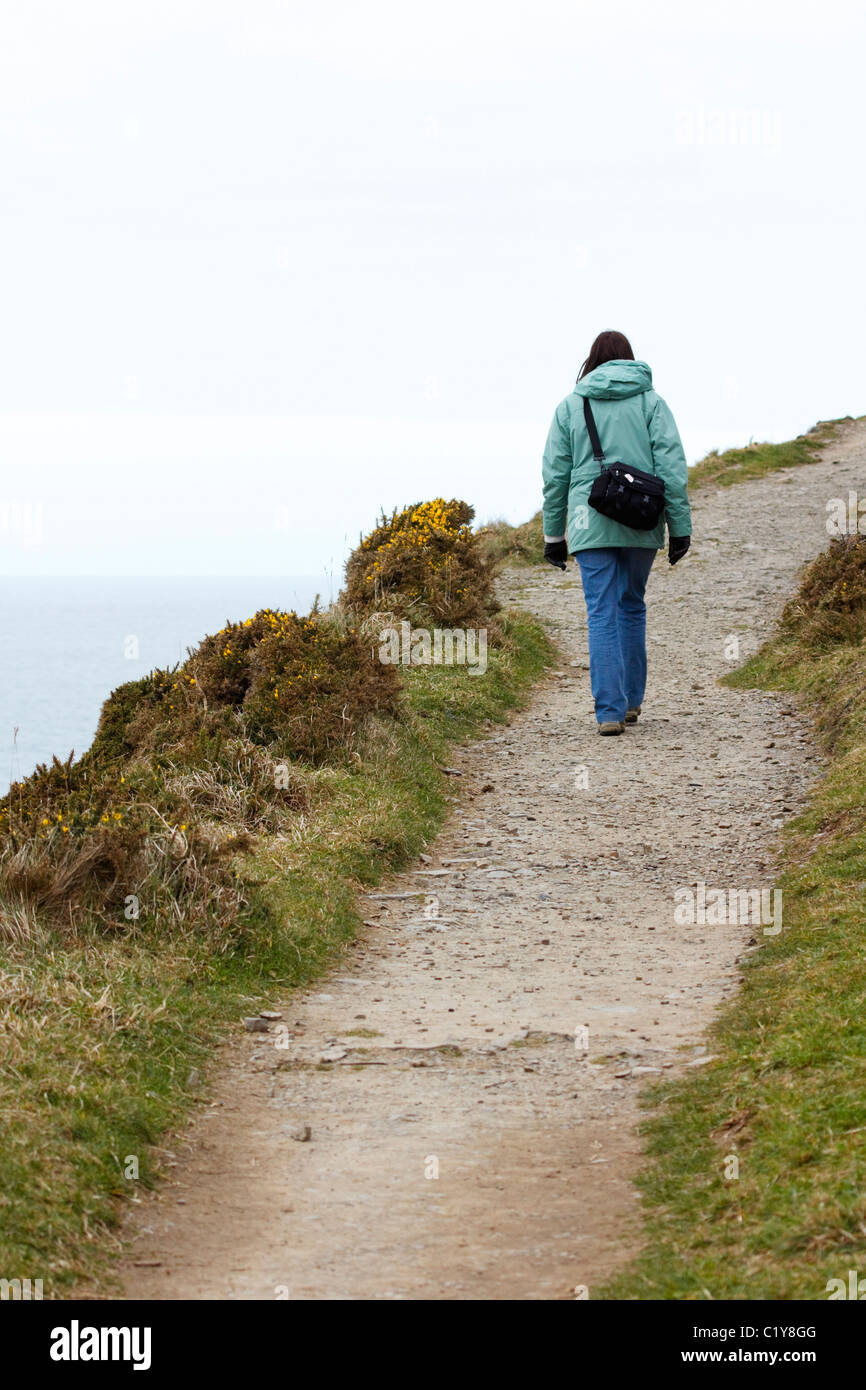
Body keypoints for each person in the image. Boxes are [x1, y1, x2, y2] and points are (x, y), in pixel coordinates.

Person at [541, 330, 691, 735]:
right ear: (629, 360)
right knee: (631, 605)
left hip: (590, 521)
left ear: (590, 362)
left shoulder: (571, 406)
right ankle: (632, 702)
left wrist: (553, 536)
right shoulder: (652, 403)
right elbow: (672, 471)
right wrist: (680, 528)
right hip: (642, 518)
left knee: (601, 611)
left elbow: (555, 478)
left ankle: (609, 712)